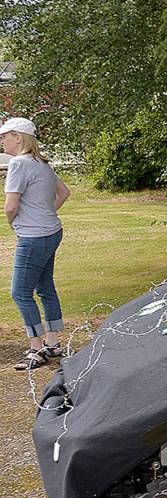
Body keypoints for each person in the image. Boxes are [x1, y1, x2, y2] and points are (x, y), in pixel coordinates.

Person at [2, 117, 71, 370]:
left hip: (33, 236)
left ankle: (37, 348)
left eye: (5, 136)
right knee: (44, 287)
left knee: (20, 292)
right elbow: (64, 193)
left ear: (18, 137)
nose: (2, 140)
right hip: (52, 231)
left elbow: (11, 206)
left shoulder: (18, 164)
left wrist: (14, 224)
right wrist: (45, 213)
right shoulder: (42, 164)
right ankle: (52, 343)